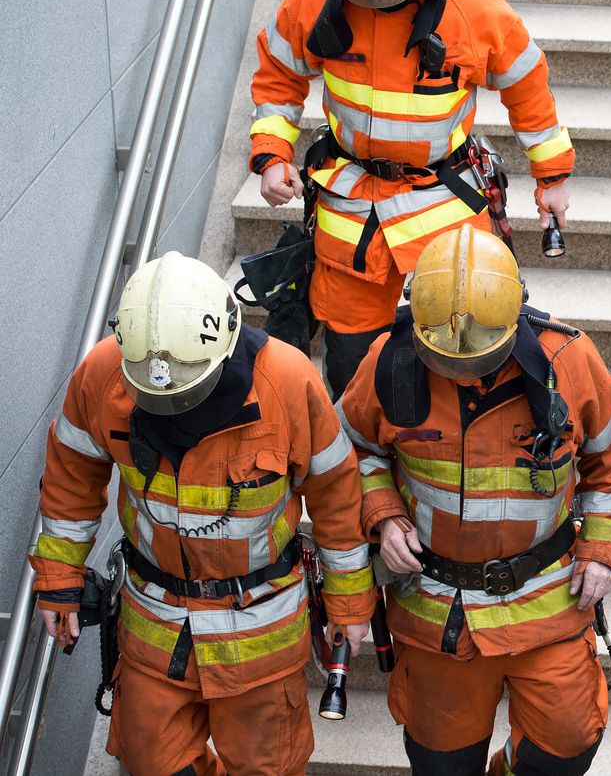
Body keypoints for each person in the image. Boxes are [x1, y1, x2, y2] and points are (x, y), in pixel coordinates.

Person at [30, 252, 375, 775]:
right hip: (154, 630)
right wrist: (58, 579)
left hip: (259, 635)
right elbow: (70, 481)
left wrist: (350, 605)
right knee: (153, 763)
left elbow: (338, 497)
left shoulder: (285, 380)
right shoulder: (104, 374)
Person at [338, 226, 611, 774]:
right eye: (446, 360)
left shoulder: (567, 360)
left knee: (567, 747)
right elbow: (351, 451)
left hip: (547, 596)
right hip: (437, 607)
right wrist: (383, 515)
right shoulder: (388, 362)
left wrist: (601, 549)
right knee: (441, 762)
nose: (460, 370)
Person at [250, 0, 574, 395]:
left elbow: (528, 89)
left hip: (443, 204)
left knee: (460, 343)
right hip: (351, 210)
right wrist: (272, 154)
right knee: (351, 360)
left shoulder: (476, 7)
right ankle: (358, 456)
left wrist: (553, 177)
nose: (377, 0)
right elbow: (279, 77)